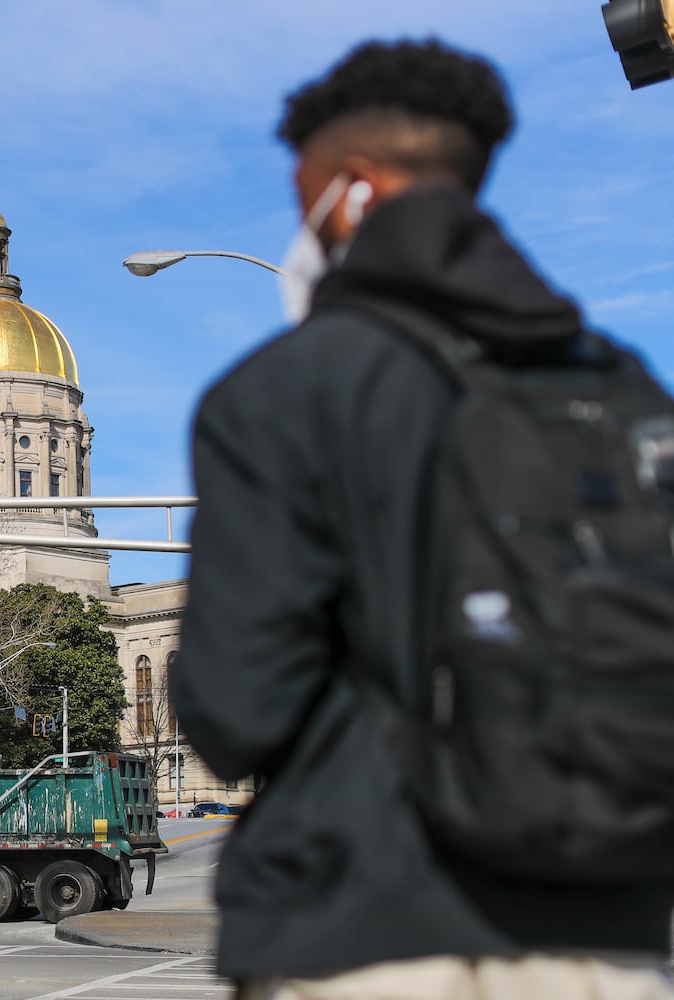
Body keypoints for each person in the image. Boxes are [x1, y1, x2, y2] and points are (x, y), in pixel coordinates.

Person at [169, 39, 674, 999]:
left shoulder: (284, 394)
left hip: (363, 925)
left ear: (352, 193)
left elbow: (236, 713)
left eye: (305, 197)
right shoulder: (626, 389)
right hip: (610, 935)